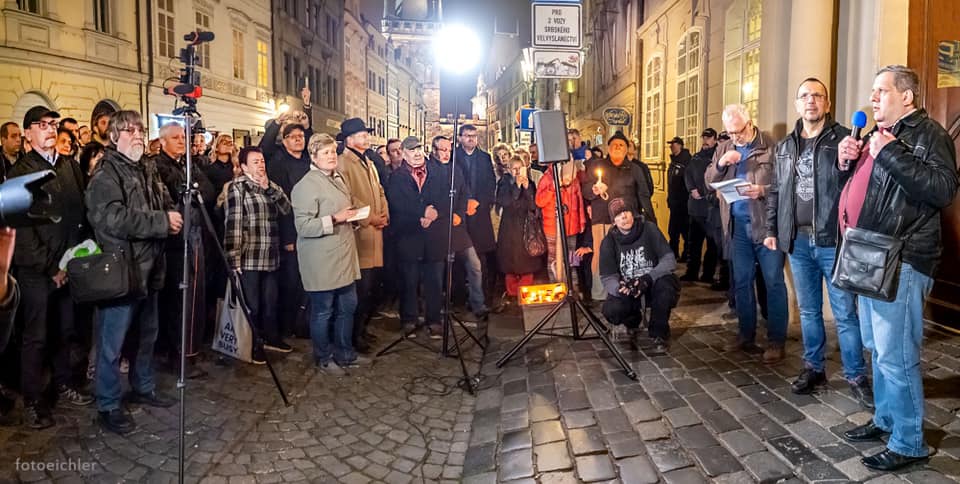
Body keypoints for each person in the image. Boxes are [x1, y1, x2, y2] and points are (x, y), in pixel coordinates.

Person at [837, 65, 959, 471]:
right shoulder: (878, 135)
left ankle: (909, 442)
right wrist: (846, 162)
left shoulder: (930, 135)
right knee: (877, 347)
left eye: (882, 90)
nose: (873, 97)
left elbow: (942, 189)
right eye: (873, 91)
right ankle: (886, 419)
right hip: (870, 255)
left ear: (906, 96)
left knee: (896, 354)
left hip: (903, 257)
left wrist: (889, 153)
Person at [762, 78, 871, 406]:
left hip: (832, 240)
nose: (811, 101)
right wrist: (771, 229)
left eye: (817, 96)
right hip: (797, 240)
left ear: (827, 103)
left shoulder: (845, 139)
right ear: (797, 104)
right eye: (805, 96)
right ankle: (814, 368)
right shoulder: (785, 146)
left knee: (844, 313)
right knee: (809, 311)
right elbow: (776, 191)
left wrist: (849, 160)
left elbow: (857, 184)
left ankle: (856, 375)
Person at [86, 110, 181, 434]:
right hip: (121, 271)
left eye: (140, 130)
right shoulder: (106, 173)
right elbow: (111, 218)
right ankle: (108, 403)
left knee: (146, 334)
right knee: (111, 343)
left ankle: (143, 385)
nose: (138, 135)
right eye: (129, 131)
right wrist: (161, 222)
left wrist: (171, 214)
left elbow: (163, 201)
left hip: (150, 268)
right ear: (114, 137)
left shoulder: (147, 168)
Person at [12, 106, 92, 429]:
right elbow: (21, 232)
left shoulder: (68, 166)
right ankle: (32, 399)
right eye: (42, 124)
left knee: (64, 330)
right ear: (28, 133)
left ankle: (63, 382)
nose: (50, 129)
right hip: (36, 271)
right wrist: (50, 267)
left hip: (67, 265)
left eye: (53, 124)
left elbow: (78, 213)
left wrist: (73, 259)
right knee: (36, 337)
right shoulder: (19, 173)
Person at [706, 104, 788, 364]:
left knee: (773, 282)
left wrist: (762, 190)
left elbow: (785, 184)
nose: (734, 137)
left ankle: (776, 340)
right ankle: (745, 335)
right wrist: (721, 164)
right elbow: (708, 180)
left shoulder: (771, 146)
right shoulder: (724, 148)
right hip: (737, 227)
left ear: (750, 124)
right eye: (730, 133)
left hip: (765, 225)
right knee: (742, 281)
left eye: (738, 132)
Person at [292, 133, 365, 373]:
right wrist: (335, 218)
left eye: (333, 151)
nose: (332, 156)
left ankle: (345, 353)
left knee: (348, 307)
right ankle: (323, 357)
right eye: (325, 152)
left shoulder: (339, 178)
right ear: (314, 157)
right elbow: (303, 227)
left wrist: (353, 217)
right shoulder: (305, 186)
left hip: (344, 256)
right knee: (323, 311)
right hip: (321, 260)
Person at [154, 122, 217, 376]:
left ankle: (189, 350)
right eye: (176, 137)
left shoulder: (188, 164)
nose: (182, 141)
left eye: (183, 137)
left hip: (195, 235)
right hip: (175, 241)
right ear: (163, 142)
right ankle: (176, 354)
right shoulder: (158, 166)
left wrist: (192, 189)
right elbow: (175, 192)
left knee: (194, 296)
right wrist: (189, 190)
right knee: (178, 299)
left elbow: (207, 191)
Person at [225, 147, 292, 364]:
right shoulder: (238, 188)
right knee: (252, 304)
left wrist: (269, 187)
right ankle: (252, 343)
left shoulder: (270, 185)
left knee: (271, 301)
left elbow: (286, 209)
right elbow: (234, 223)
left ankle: (271, 337)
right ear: (244, 166)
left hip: (270, 254)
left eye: (262, 161)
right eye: (255, 162)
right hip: (250, 255)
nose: (261, 165)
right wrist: (234, 256)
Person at [582, 131, 657, 303]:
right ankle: (600, 293)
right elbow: (585, 190)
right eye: (614, 144)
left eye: (621, 145)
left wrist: (650, 219)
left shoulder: (635, 169)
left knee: (627, 255)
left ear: (626, 149)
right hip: (602, 219)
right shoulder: (597, 166)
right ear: (608, 148)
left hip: (627, 220)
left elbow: (644, 194)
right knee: (602, 254)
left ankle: (625, 290)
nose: (617, 147)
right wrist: (594, 190)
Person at [386, 136, 449, 338]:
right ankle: (409, 319)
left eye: (419, 149)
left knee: (434, 281)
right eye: (412, 150)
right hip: (408, 235)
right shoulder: (396, 177)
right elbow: (397, 203)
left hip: (434, 236)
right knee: (409, 281)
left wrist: (435, 214)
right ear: (403, 154)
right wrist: (421, 214)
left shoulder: (438, 171)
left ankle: (434, 320)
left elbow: (446, 197)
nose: (416, 153)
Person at [599, 198, 679, 353]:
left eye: (626, 212)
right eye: (618, 215)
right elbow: (607, 276)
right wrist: (619, 288)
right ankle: (632, 320)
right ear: (614, 221)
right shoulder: (609, 241)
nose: (624, 217)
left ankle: (659, 333)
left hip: (652, 283)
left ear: (633, 214)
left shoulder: (649, 229)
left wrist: (648, 278)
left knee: (667, 287)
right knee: (612, 310)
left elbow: (669, 260)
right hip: (628, 288)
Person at [338, 118, 389, 353]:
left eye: (366, 134)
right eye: (361, 135)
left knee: (370, 288)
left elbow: (379, 190)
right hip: (361, 234)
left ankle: (362, 329)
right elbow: (348, 197)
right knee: (360, 289)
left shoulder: (367, 160)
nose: (366, 138)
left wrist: (384, 212)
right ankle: (353, 336)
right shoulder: (343, 163)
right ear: (349, 140)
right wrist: (370, 218)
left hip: (375, 231)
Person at [429, 135, 488, 319]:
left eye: (449, 150)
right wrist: (447, 214)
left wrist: (459, 214)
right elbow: (432, 199)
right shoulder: (429, 170)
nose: (447, 154)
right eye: (443, 150)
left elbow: (464, 194)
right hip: (439, 227)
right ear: (434, 151)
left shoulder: (455, 169)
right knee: (440, 271)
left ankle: (478, 303)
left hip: (457, 226)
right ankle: (440, 307)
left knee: (474, 264)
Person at [266, 123, 312, 339]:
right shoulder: (278, 164)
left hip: (310, 227)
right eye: (293, 136)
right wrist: (288, 237)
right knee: (290, 282)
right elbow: (281, 204)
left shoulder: (308, 162)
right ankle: (287, 325)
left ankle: (302, 324)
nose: (298, 139)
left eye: (301, 136)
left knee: (306, 281)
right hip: (290, 229)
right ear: (284, 141)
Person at [457, 124, 498, 305]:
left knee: (481, 258)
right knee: (459, 258)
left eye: (473, 135)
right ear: (460, 138)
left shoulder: (484, 158)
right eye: (467, 135)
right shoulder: (454, 157)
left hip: (480, 214)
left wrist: (479, 202)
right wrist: (464, 204)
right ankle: (459, 299)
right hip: (460, 214)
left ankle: (483, 298)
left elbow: (490, 183)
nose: (471, 138)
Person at [536, 155, 588, 283]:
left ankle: (573, 286)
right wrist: (553, 188)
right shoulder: (547, 178)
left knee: (571, 260)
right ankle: (556, 286)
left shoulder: (575, 180)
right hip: (552, 228)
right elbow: (539, 201)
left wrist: (581, 221)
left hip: (571, 228)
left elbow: (579, 201)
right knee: (554, 259)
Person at [496, 157, 543, 299]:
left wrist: (527, 188)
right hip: (509, 228)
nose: (517, 172)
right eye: (514, 169)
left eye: (520, 168)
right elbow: (505, 202)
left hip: (527, 228)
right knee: (510, 263)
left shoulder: (530, 183)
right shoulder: (504, 183)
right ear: (509, 169)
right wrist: (516, 187)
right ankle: (511, 295)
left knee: (527, 263)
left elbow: (534, 205)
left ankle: (525, 295)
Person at [683, 129, 720, 283]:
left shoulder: (718, 156)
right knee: (693, 243)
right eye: (704, 137)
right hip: (696, 208)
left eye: (709, 138)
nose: (705, 140)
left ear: (715, 139)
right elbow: (688, 174)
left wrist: (707, 193)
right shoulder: (696, 157)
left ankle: (707, 274)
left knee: (712, 244)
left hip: (711, 208)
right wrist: (691, 189)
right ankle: (691, 272)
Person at [259, 87, 313, 161]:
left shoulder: (297, 149)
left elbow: (309, 142)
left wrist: (306, 107)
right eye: (284, 124)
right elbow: (267, 142)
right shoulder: (274, 151)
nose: (287, 126)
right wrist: (277, 122)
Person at [666, 136, 691, 261]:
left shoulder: (686, 161)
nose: (671, 146)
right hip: (674, 202)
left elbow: (688, 182)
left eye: (674, 144)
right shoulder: (674, 162)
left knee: (685, 230)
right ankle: (673, 254)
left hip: (683, 203)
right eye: (671, 144)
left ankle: (687, 254)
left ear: (680, 145)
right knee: (673, 231)